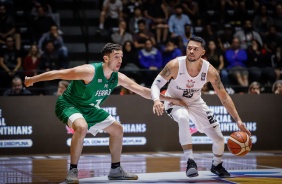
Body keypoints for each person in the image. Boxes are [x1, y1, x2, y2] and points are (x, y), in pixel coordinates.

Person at [24, 43, 186, 183]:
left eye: (121, 57)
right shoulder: (88, 71)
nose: (120, 60)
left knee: (117, 129)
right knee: (81, 127)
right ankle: (73, 170)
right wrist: (32, 79)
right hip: (68, 105)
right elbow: (58, 74)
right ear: (106, 58)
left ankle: (115, 170)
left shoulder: (117, 77)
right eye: (116, 56)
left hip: (89, 108)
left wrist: (169, 99)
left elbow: (143, 91)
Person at [150, 36, 251, 178]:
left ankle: (217, 165)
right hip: (174, 100)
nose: (191, 51)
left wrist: (238, 120)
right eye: (189, 48)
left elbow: (224, 97)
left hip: (195, 102)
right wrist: (156, 100)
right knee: (183, 118)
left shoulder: (210, 71)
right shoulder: (175, 65)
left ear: (203, 52)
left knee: (219, 139)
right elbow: (155, 84)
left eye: (195, 49)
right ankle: (190, 161)